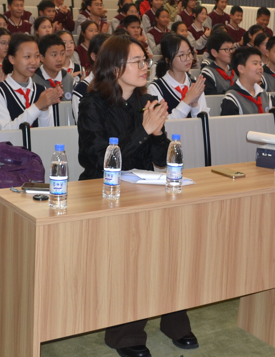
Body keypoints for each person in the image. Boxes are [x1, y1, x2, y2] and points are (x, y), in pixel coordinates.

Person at [75, 35, 199, 356]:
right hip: (103, 192)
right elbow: (97, 159)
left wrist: (157, 134)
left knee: (173, 245)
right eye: (138, 62)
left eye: (146, 61)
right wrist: (144, 131)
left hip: (143, 188)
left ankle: (174, 320)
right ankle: (125, 334)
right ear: (116, 67)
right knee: (133, 254)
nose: (145, 67)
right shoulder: (92, 104)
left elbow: (160, 157)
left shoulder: (147, 100)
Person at [0, 33, 61, 130]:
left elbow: (47, 132)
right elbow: (5, 131)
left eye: (37, 56)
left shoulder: (41, 90)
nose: (34, 62)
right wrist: (38, 106)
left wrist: (44, 109)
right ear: (12, 59)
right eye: (27, 56)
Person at [148, 34, 208, 119]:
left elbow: (204, 122)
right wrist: (187, 100)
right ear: (168, 60)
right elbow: (163, 123)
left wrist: (195, 105)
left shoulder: (195, 84)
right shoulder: (155, 88)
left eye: (189, 53)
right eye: (182, 55)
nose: (188, 58)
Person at [71, 33, 110, 123]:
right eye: (107, 54)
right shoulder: (81, 90)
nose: (113, 58)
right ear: (94, 57)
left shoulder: (122, 83)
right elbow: (83, 127)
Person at [220, 46, 271, 115]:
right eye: (255, 63)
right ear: (241, 69)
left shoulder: (265, 95)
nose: (260, 67)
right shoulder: (231, 98)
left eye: (260, 64)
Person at [33, 33, 77, 102]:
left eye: (62, 54)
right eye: (54, 55)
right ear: (41, 57)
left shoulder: (68, 79)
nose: (59, 59)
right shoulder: (33, 80)